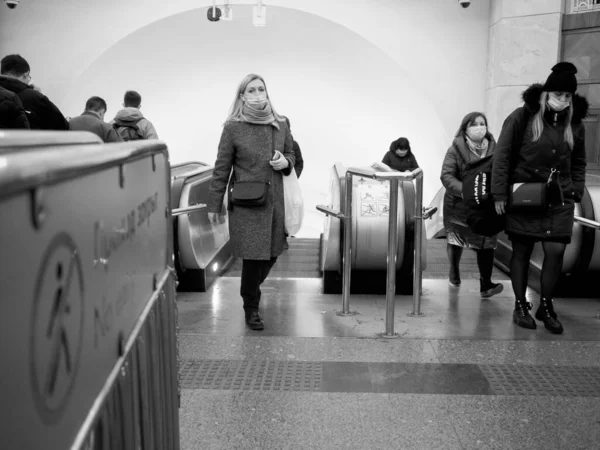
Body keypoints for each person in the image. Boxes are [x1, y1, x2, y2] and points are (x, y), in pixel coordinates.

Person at [491, 62, 588, 334]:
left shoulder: (576, 124)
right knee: (521, 251)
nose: (563, 101)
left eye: (568, 96)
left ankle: (546, 305)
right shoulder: (522, 117)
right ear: (546, 94)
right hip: (527, 196)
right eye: (559, 95)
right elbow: (502, 157)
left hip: (559, 198)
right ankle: (521, 305)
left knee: (555, 251)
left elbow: (579, 161)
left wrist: (576, 189)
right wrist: (499, 193)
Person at [207, 74, 295, 331]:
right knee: (253, 258)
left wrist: (285, 162)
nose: (258, 94)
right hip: (247, 202)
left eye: (261, 89)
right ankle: (251, 307)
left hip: (275, 200)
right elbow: (221, 167)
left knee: (273, 253)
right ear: (242, 96)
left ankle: (251, 290)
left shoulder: (281, 123)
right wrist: (214, 203)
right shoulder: (233, 127)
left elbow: (291, 153)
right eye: (252, 90)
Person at [440, 112, 503, 298]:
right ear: (465, 128)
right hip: (458, 204)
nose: (479, 127)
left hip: (485, 206)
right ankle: (454, 270)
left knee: (487, 241)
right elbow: (447, 176)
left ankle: (486, 284)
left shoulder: (495, 150)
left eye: (482, 123)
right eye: (474, 124)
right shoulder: (455, 150)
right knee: (456, 239)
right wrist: (468, 191)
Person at [0, 54, 68, 130]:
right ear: (26, 74)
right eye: (29, 77)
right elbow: (62, 125)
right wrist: (39, 95)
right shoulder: (33, 97)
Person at [283, 116, 304, 249]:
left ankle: (285, 236)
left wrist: (293, 177)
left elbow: (300, 163)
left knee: (290, 210)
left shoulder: (293, 144)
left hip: (289, 184)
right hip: (273, 184)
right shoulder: (271, 142)